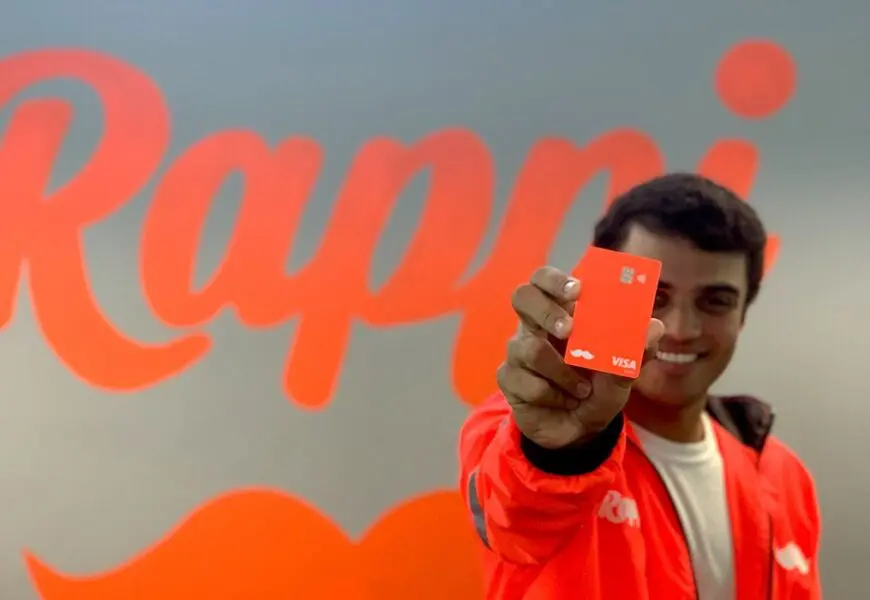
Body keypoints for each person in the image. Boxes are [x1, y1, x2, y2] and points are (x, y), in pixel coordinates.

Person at [458, 173, 822, 600]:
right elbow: (515, 517)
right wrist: (563, 453)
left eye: (715, 301)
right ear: (598, 290)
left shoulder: (782, 475)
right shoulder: (522, 428)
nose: (680, 329)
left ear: (742, 315)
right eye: (653, 296)